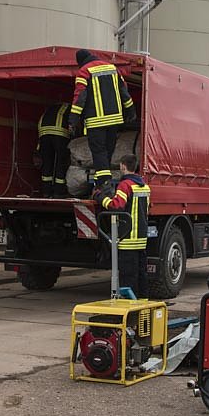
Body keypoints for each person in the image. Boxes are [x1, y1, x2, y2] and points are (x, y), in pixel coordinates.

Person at [69, 49, 136, 191]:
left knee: (99, 152)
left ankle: (104, 184)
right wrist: (131, 111)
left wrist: (73, 120)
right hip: (114, 121)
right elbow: (124, 91)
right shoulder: (112, 68)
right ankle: (106, 182)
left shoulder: (84, 71)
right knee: (108, 151)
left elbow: (80, 97)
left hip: (96, 121)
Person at [95, 154, 150, 298]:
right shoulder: (144, 186)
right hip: (141, 240)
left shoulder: (125, 185)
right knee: (141, 275)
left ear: (123, 166)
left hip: (127, 240)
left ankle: (129, 308)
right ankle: (142, 305)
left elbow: (116, 207)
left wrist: (100, 197)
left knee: (128, 278)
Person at [36, 103, 72, 198]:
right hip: (59, 132)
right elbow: (73, 124)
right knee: (61, 161)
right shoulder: (70, 108)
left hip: (43, 131)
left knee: (47, 162)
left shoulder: (52, 107)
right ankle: (59, 191)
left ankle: (46, 191)